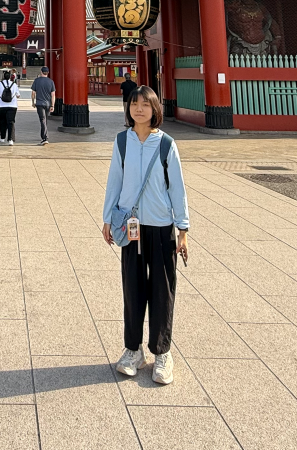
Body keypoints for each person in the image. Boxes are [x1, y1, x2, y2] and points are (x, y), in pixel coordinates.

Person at [102, 86, 189, 387]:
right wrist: (107, 218)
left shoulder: (166, 144)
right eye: (134, 104)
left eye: (145, 104)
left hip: (161, 225)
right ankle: (133, 350)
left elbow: (177, 188)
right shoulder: (121, 142)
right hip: (131, 227)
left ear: (155, 109)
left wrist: (183, 229)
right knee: (133, 289)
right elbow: (114, 180)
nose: (139, 109)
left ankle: (162, 352)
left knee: (162, 291)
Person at [31, 65, 56, 146]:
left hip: (39, 103)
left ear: (41, 72)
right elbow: (53, 95)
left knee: (42, 120)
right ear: (48, 73)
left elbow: (33, 93)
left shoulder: (37, 81)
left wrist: (33, 102)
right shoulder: (51, 82)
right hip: (48, 104)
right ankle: (44, 135)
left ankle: (44, 138)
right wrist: (52, 105)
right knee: (45, 120)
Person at [0, 69, 19, 145]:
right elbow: (18, 95)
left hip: (1, 105)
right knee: (11, 122)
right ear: (10, 77)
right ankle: (10, 139)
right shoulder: (14, 84)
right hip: (12, 105)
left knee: (2, 121)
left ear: (3, 76)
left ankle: (2, 137)